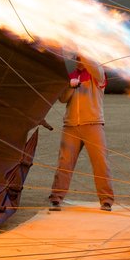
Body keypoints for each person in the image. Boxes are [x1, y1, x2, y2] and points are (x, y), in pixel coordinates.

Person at [49, 54, 115, 211]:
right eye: (77, 58)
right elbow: (63, 99)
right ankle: (56, 198)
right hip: (71, 125)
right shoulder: (71, 77)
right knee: (64, 163)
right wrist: (70, 87)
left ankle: (106, 200)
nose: (78, 61)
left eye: (81, 58)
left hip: (93, 124)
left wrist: (83, 49)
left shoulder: (97, 74)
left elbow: (94, 66)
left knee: (100, 163)